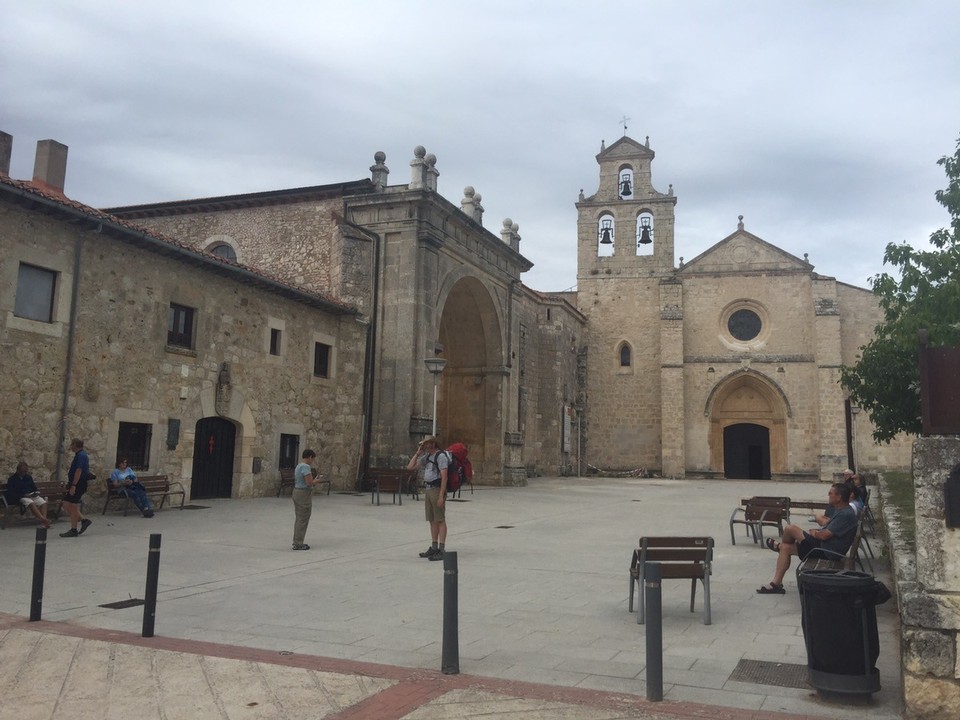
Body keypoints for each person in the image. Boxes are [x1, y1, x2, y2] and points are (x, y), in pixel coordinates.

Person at [757, 483, 858, 594]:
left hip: (827, 551)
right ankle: (776, 584)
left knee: (790, 529)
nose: (828, 495)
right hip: (824, 547)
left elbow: (824, 536)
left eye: (831, 493)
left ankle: (779, 546)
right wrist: (818, 532)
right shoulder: (840, 510)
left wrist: (815, 533)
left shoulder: (845, 514)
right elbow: (827, 526)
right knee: (786, 548)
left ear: (839, 497)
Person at [407, 436, 448, 561]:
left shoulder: (440, 457)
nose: (425, 446)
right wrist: (417, 453)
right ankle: (434, 546)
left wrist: (441, 496)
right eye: (424, 444)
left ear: (433, 444)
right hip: (429, 490)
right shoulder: (427, 457)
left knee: (440, 519)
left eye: (427, 444)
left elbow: (444, 477)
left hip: (436, 489)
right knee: (432, 519)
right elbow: (410, 467)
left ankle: (441, 549)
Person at [60, 438, 92, 538]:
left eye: (72, 444)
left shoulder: (81, 456)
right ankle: (83, 520)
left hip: (78, 484)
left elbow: (79, 471)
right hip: (76, 483)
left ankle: (74, 529)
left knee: (73, 506)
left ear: (75, 445)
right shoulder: (80, 455)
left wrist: (73, 485)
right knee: (66, 504)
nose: (71, 446)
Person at [5, 461, 50, 529]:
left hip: (31, 495)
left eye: (25, 472)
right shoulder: (12, 479)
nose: (23, 473)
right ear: (18, 470)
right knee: (30, 502)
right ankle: (44, 520)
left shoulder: (28, 477)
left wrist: (35, 493)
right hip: (20, 497)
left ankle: (44, 520)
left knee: (43, 502)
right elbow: (11, 493)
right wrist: (24, 495)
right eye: (22, 472)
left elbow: (34, 487)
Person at [291, 449, 320, 550]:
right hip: (303, 494)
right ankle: (298, 542)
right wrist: (316, 481)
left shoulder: (299, 466)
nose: (312, 461)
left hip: (296, 492)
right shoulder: (306, 467)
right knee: (303, 518)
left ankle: (297, 540)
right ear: (310, 457)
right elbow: (309, 482)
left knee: (299, 518)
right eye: (313, 459)